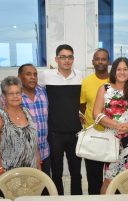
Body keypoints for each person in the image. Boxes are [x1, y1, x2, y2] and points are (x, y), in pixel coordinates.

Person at [93, 57, 128, 194]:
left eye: (125, 69)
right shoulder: (104, 89)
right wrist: (116, 124)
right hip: (112, 142)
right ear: (114, 71)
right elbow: (96, 114)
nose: (122, 72)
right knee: (109, 181)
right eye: (119, 69)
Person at [38, 44, 83, 195]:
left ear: (73, 59)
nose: (66, 60)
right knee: (56, 172)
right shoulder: (46, 75)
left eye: (70, 57)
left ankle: (77, 199)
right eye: (63, 57)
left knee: (76, 172)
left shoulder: (80, 76)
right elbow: (34, 92)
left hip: (75, 132)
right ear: (56, 59)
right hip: (54, 133)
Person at [0, 76, 40, 177]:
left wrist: (39, 167)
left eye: (18, 93)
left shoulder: (27, 112)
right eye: (11, 94)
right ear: (4, 96)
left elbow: (35, 144)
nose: (15, 96)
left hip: (31, 172)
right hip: (9, 175)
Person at [80, 48, 110, 195]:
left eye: (103, 59)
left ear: (108, 61)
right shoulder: (86, 82)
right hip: (92, 136)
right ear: (93, 62)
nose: (100, 61)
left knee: (113, 177)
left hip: (113, 136)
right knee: (93, 179)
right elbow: (82, 105)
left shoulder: (116, 80)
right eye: (97, 59)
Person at [18, 63, 50, 176]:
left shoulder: (44, 92)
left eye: (35, 74)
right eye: (28, 74)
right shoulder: (13, 96)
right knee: (27, 189)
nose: (33, 77)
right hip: (24, 154)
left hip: (44, 151)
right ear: (20, 77)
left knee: (45, 187)